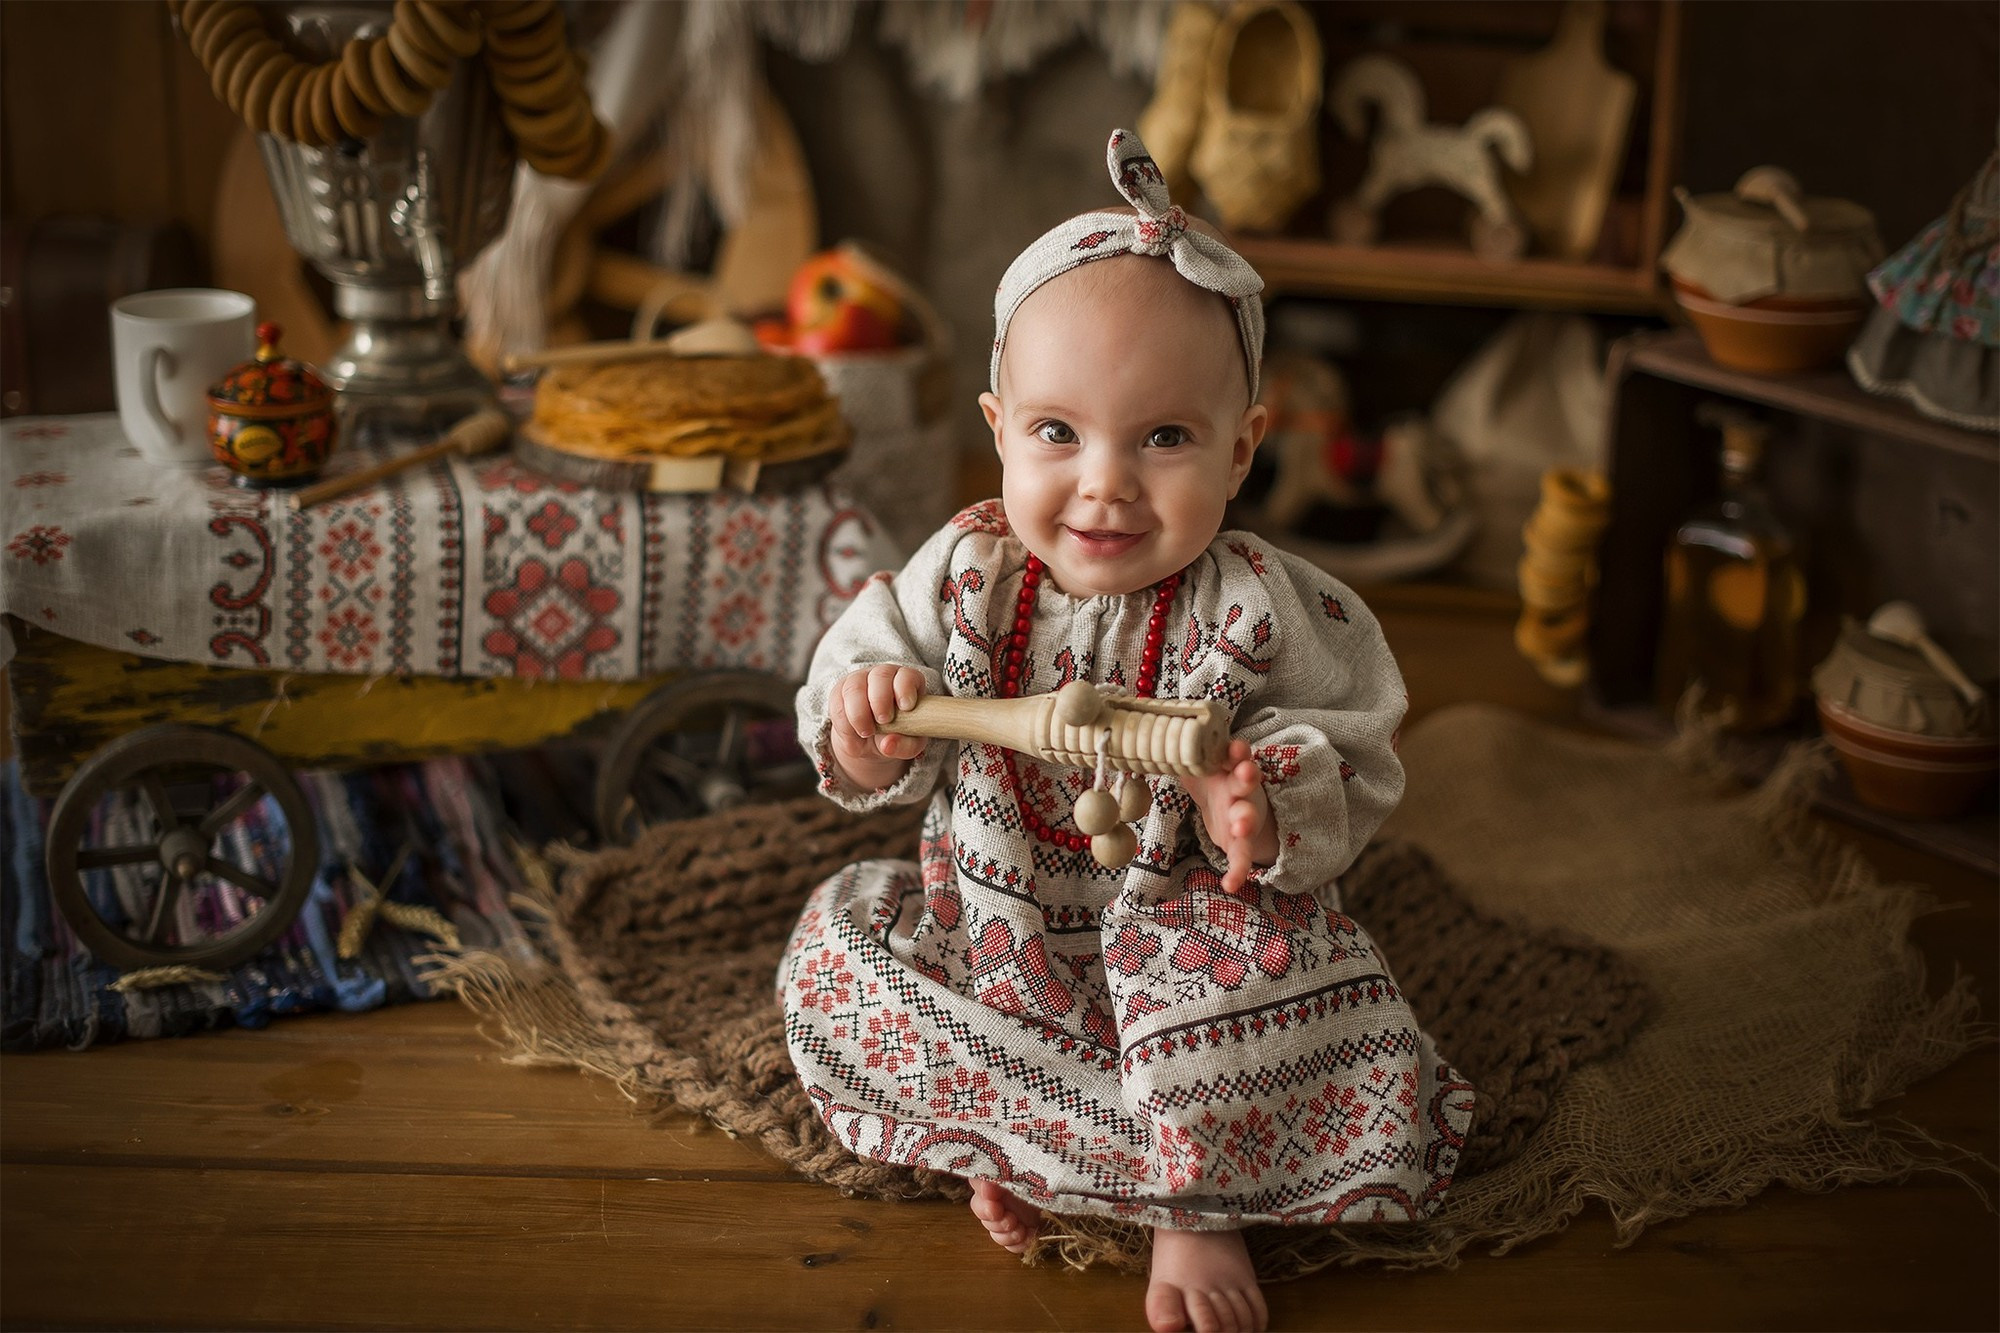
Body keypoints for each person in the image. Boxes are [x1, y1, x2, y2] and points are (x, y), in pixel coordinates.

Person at [778, 129, 1471, 1333]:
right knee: (843, 960)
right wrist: (868, 723)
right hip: (1001, 926)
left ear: (1242, 447)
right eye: (1058, 432)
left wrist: (1259, 796)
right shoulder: (964, 573)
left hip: (1186, 933)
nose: (1103, 483)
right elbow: (864, 664)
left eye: (1162, 437)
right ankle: (1021, 1128)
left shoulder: (1263, 607)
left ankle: (1186, 1208)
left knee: (1249, 1009)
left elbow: (1355, 741)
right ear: (996, 427)